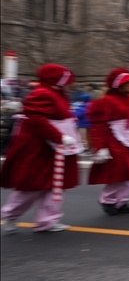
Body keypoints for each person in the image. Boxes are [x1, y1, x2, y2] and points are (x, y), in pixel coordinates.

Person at [0, 64, 82, 233]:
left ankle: (47, 220)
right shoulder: (42, 93)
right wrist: (58, 137)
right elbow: (36, 118)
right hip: (40, 147)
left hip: (57, 146)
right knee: (32, 186)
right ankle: (10, 215)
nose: (68, 83)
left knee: (56, 185)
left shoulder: (59, 93)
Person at [87, 68, 129, 215]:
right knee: (121, 172)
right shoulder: (104, 102)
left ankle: (122, 201)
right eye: (128, 82)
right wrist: (100, 147)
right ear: (118, 84)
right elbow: (98, 126)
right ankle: (108, 200)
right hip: (115, 140)